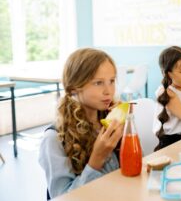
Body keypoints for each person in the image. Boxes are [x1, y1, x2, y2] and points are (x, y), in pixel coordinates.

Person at [39, 48, 124, 199]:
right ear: (73, 88)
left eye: (112, 81)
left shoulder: (111, 122)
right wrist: (97, 159)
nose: (108, 91)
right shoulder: (54, 139)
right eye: (98, 83)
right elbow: (62, 197)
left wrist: (128, 135)